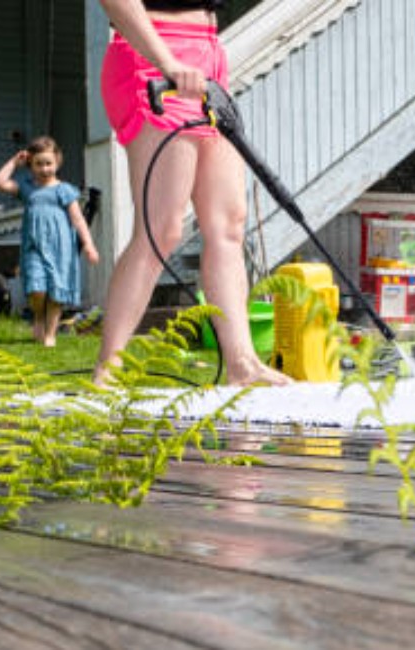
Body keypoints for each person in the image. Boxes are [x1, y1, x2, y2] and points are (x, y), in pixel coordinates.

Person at [95, 0, 292, 386]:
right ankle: (108, 369)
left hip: (207, 56)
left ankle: (242, 363)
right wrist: (166, 60)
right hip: (153, 54)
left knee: (228, 224)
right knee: (161, 228)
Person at [0, 136, 101, 346]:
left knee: (56, 293)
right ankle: (39, 318)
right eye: (38, 164)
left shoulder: (64, 190)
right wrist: (15, 162)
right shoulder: (27, 188)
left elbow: (78, 219)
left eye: (48, 163)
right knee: (37, 289)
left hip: (61, 249)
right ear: (31, 164)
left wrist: (88, 244)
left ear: (57, 162)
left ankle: (50, 335)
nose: (44, 169)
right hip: (34, 246)